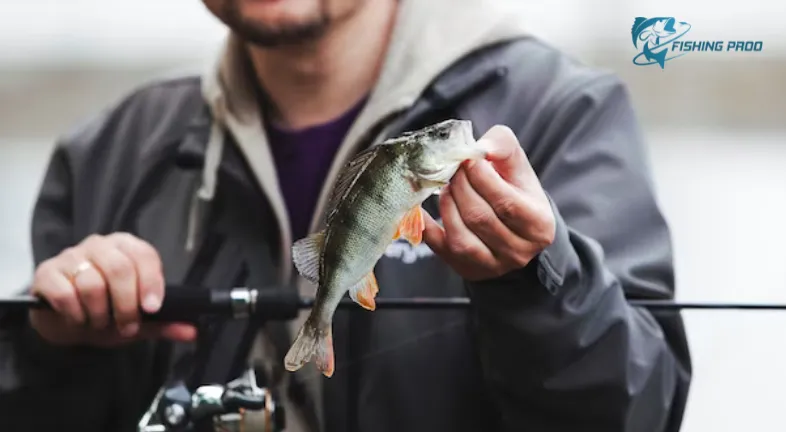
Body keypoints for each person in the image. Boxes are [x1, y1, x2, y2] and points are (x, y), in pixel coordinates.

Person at [0, 0, 692, 431]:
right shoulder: (107, 156)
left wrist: (537, 279)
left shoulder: (561, 114)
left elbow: (637, 413)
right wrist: (50, 347)